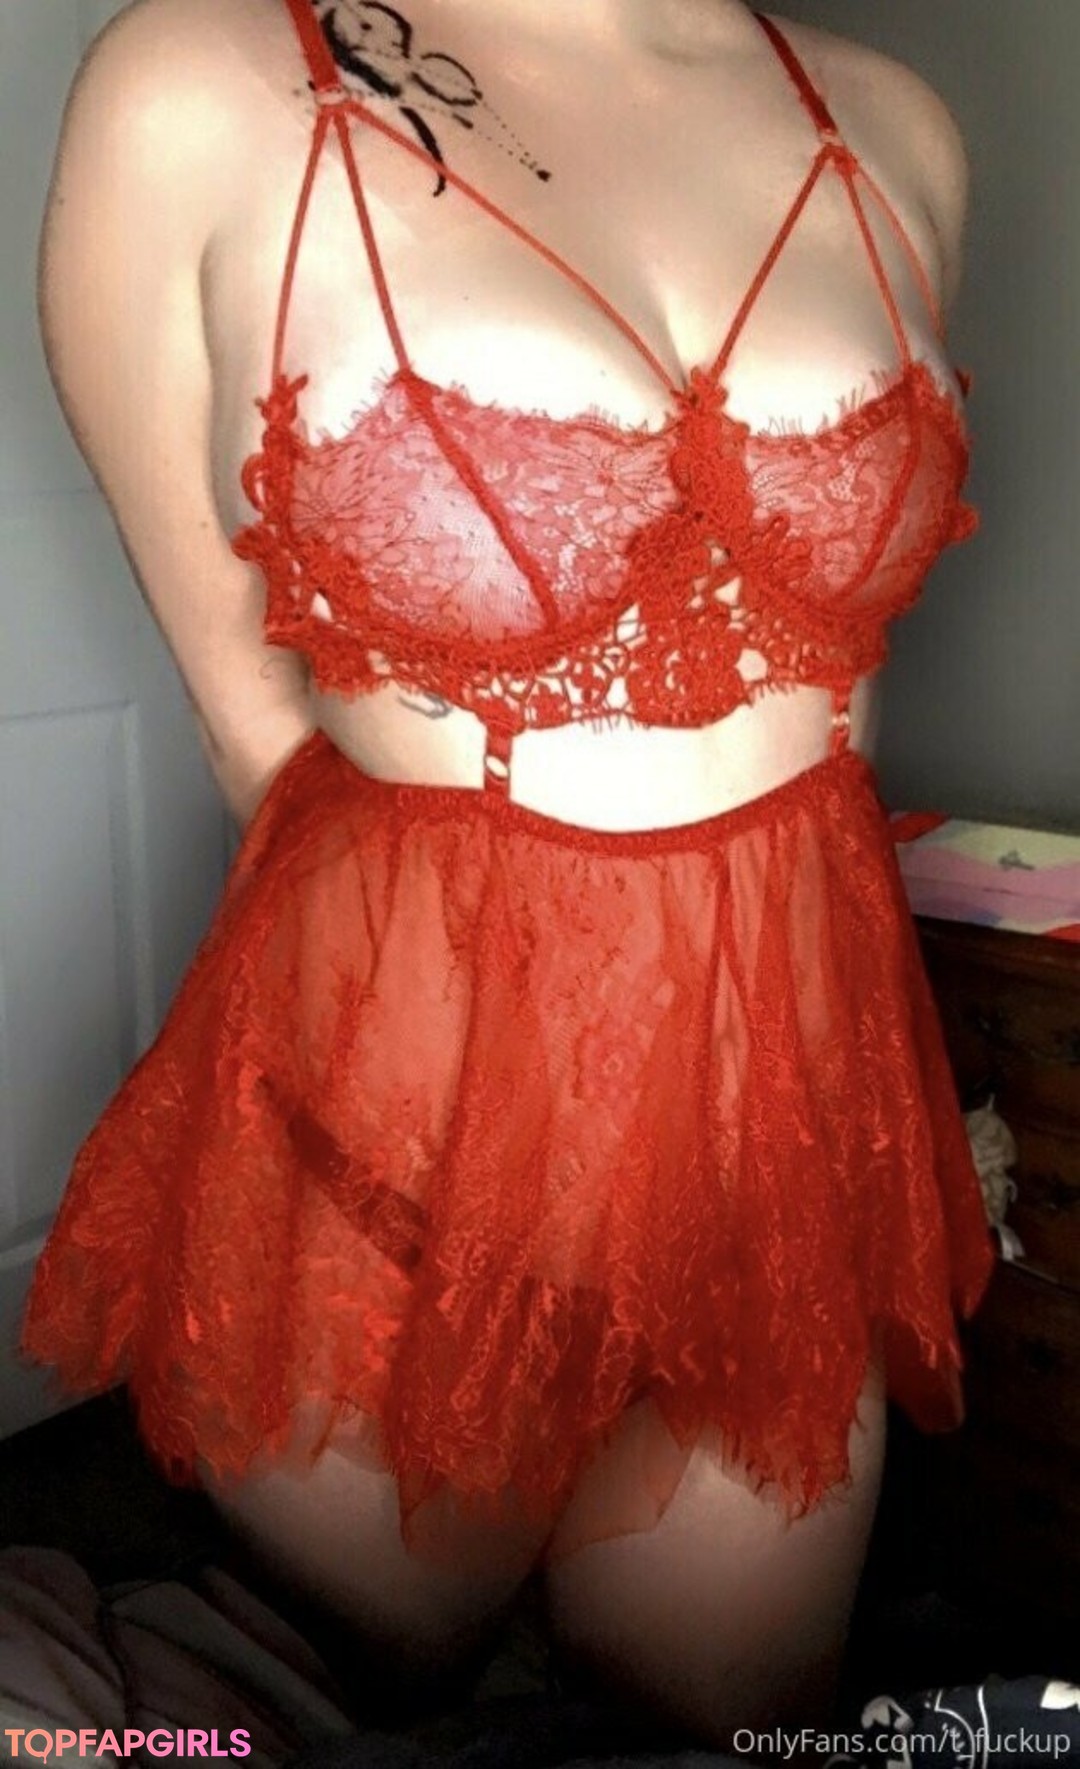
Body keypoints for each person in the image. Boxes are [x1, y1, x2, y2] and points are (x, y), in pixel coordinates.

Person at [21, 0, 995, 1747]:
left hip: (770, 1133)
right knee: (323, 1701)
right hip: (401, 1149)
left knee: (726, 1731)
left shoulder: (896, 129)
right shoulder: (198, 87)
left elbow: (835, 718)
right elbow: (260, 740)